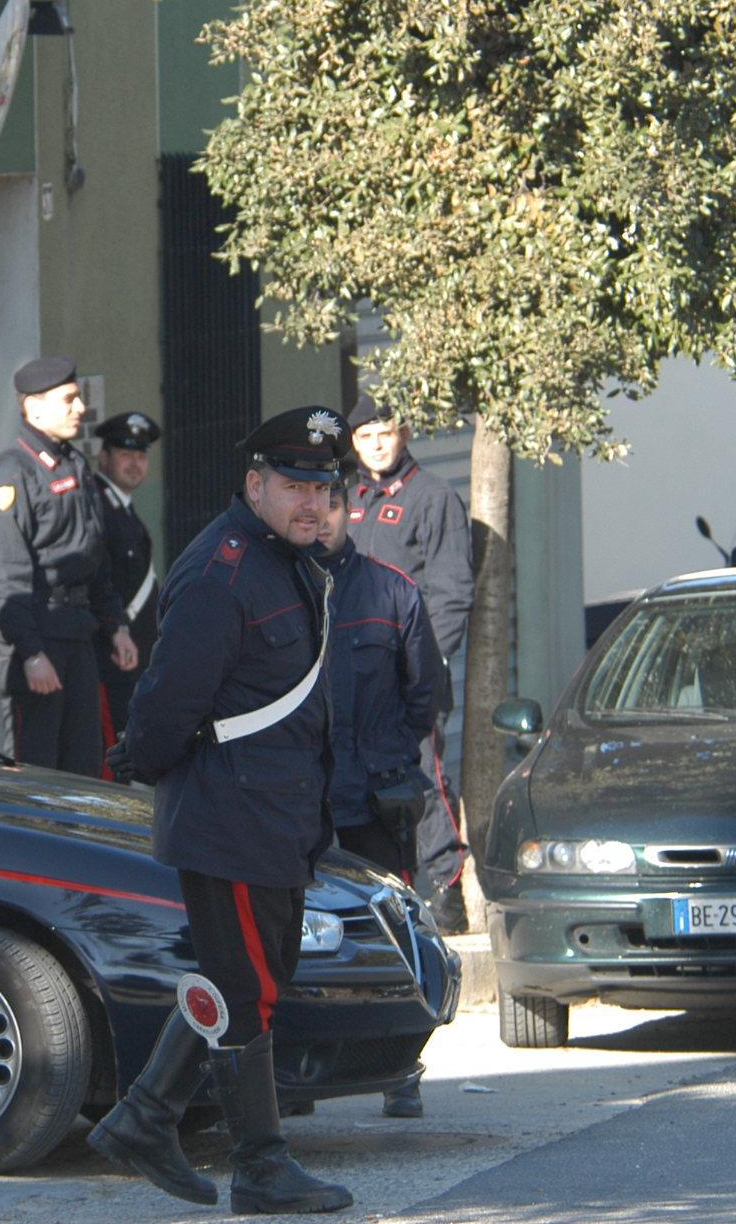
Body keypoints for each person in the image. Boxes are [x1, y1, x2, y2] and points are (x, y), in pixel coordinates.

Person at [87, 406, 355, 1216]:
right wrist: (160, 768)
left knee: (246, 979)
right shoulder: (226, 568)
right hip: (230, 814)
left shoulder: (289, 562)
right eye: (294, 485)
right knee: (247, 990)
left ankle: (144, 1117)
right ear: (255, 484)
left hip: (275, 815)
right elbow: (168, 703)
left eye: (323, 486)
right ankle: (261, 1166)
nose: (311, 502)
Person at [318, 477, 441, 1119]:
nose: (321, 519)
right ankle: (295, 1071)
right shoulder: (279, 590)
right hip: (303, 800)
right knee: (293, 935)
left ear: (349, 512)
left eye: (333, 506)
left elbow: (425, 695)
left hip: (373, 798)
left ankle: (402, 1069)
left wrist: (387, 758)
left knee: (395, 932)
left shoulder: (392, 590)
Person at [346, 394, 474, 932]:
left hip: (412, 670)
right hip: (354, 670)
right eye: (365, 437)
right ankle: (383, 893)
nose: (376, 446)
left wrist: (425, 662)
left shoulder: (433, 496)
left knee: (425, 775)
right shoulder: (348, 498)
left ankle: (445, 893)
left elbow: (451, 592)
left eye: (385, 434)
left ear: (403, 434)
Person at [0, 357, 136, 773]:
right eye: (68, 399)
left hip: (77, 632)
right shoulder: (10, 475)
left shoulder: (74, 465)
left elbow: (91, 556)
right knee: (37, 771)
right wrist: (29, 653)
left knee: (84, 767)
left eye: (78, 398)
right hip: (37, 638)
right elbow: (3, 576)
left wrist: (115, 624)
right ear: (34, 408)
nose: (79, 408)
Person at [90, 410, 162, 768]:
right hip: (112, 652)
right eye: (124, 454)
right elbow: (101, 577)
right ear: (104, 457)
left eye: (141, 455)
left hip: (133, 655)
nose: (135, 464)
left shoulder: (124, 509)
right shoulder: (99, 505)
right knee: (110, 752)